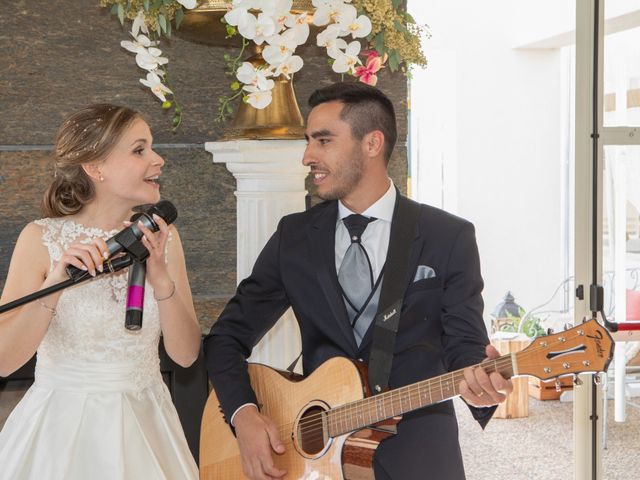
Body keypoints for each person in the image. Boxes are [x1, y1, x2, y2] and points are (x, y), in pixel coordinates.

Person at [204, 82, 513, 480]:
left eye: (323, 141)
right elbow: (226, 337)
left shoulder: (447, 236)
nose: (307, 156)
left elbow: (465, 344)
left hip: (418, 454)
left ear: (372, 143)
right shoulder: (294, 237)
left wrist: (480, 380)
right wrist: (243, 415)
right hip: (312, 460)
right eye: (308, 141)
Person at [0, 104, 200, 479]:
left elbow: (187, 356)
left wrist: (162, 282)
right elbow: (3, 361)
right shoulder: (40, 239)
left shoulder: (164, 238)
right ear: (96, 168)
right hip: (59, 433)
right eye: (139, 150)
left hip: (148, 425)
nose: (157, 160)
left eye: (152, 147)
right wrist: (54, 284)